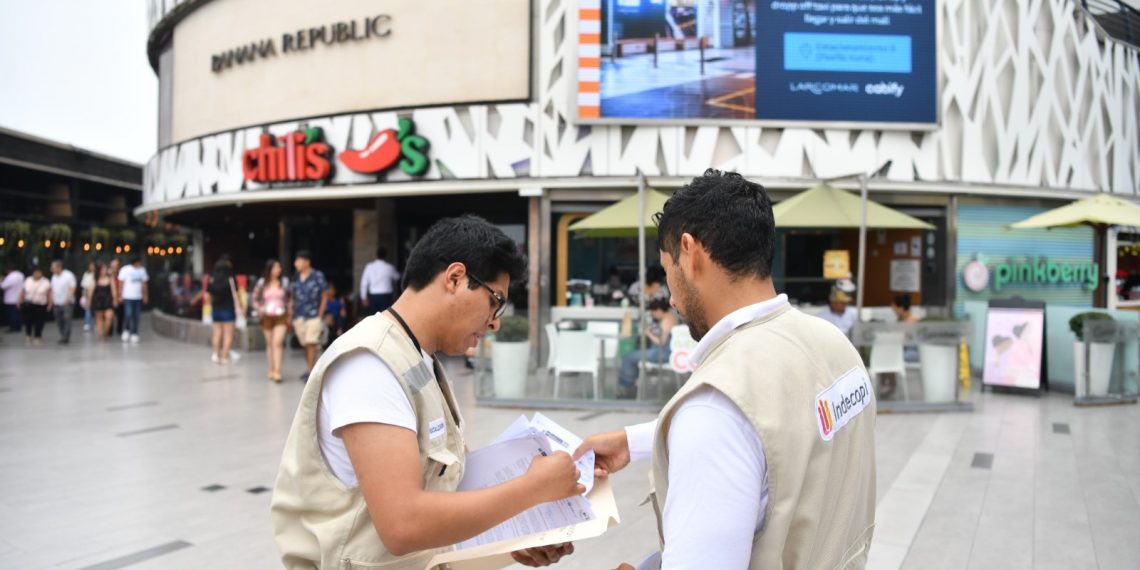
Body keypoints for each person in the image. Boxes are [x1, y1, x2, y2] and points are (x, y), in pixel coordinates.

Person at [574, 170, 876, 569]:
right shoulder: (835, 345)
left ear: (689, 251)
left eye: (668, 272)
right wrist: (636, 441)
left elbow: (731, 424)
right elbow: (779, 426)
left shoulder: (714, 408)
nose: (672, 297)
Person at [272, 215, 580, 569]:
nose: (495, 320)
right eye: (496, 300)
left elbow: (439, 501)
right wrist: (531, 489)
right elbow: (403, 524)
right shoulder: (370, 365)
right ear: (454, 278)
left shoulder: (418, 358)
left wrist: (513, 543)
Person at [616, 298, 678, 399]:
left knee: (628, 357)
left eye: (653, 312)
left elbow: (661, 342)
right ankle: (632, 384)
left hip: (661, 353)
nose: (653, 315)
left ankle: (626, 387)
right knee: (633, 357)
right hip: (663, 352)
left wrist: (648, 333)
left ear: (658, 310)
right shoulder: (671, 318)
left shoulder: (666, 321)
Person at [289, 250, 328, 381]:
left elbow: (324, 295)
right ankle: (309, 368)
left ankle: (312, 372)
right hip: (299, 316)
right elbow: (292, 297)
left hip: (313, 315)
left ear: (307, 262)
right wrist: (290, 313)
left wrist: (320, 314)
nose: (296, 264)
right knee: (305, 344)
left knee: (311, 343)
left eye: (298, 261)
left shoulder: (318, 276)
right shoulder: (295, 277)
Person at [252, 259, 291, 382]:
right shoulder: (262, 283)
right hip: (267, 315)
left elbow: (290, 299)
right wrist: (260, 308)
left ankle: (278, 370)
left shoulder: (284, 282)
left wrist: (290, 314)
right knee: (269, 344)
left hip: (281, 315)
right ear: (269, 269)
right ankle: (271, 368)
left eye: (279, 267)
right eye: (275, 268)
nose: (278, 270)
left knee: (277, 342)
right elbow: (254, 299)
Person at [204, 257, 244, 364]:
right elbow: (236, 294)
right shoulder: (231, 279)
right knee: (228, 334)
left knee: (216, 333)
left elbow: (207, 296)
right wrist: (242, 307)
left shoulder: (212, 279)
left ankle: (215, 354)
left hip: (216, 309)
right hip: (228, 309)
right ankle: (225, 356)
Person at [360, 246, 400, 316]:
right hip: (386, 296)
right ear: (386, 255)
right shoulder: (389, 267)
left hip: (373, 296)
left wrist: (363, 297)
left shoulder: (369, 267)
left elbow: (364, 283)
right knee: (386, 317)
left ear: (377, 255)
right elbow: (397, 277)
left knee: (373, 317)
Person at [117, 256, 148, 343]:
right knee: (128, 313)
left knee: (136, 316)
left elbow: (145, 284)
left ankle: (134, 332)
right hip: (128, 297)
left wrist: (145, 295)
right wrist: (120, 295)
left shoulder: (142, 271)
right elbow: (121, 283)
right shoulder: (125, 270)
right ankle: (126, 329)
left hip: (138, 297)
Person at [18, 267, 51, 345]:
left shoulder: (45, 281)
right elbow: (23, 291)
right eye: (36, 273)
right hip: (29, 304)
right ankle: (28, 334)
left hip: (41, 304)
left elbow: (49, 294)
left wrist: (50, 304)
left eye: (39, 273)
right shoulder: (28, 280)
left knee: (39, 321)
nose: (37, 274)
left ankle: (38, 335)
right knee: (28, 320)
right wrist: (19, 301)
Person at [49, 260, 77, 345]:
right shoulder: (53, 277)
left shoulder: (68, 275)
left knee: (67, 319)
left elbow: (73, 287)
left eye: (53, 268)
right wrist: (51, 300)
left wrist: (68, 298)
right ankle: (62, 335)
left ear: (59, 267)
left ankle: (65, 337)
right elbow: (52, 289)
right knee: (59, 320)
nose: (52, 270)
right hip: (57, 302)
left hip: (67, 302)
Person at [88, 263, 117, 342]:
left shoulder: (110, 279)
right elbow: (91, 292)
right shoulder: (95, 280)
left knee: (109, 317)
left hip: (108, 300)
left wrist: (115, 299)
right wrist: (89, 302)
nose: (104, 271)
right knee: (99, 318)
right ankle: (101, 334)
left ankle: (105, 332)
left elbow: (113, 290)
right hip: (98, 301)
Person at [2, 266, 24, 333]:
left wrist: (1, 281)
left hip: (10, 299)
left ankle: (13, 328)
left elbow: (3, 286)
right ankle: (18, 327)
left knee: (12, 314)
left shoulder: (11, 276)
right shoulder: (20, 274)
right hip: (19, 298)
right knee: (18, 313)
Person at [109, 258, 125, 337]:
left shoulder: (122, 274)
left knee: (120, 315)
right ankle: (110, 330)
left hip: (120, 298)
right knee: (110, 315)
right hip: (110, 298)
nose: (114, 268)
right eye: (113, 266)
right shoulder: (108, 274)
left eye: (116, 266)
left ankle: (119, 329)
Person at [80, 261, 96, 332]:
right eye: (90, 266)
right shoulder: (86, 274)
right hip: (87, 294)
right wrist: (83, 295)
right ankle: (87, 323)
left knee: (97, 310)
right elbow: (84, 285)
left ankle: (97, 323)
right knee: (88, 309)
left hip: (96, 294)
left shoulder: (97, 274)